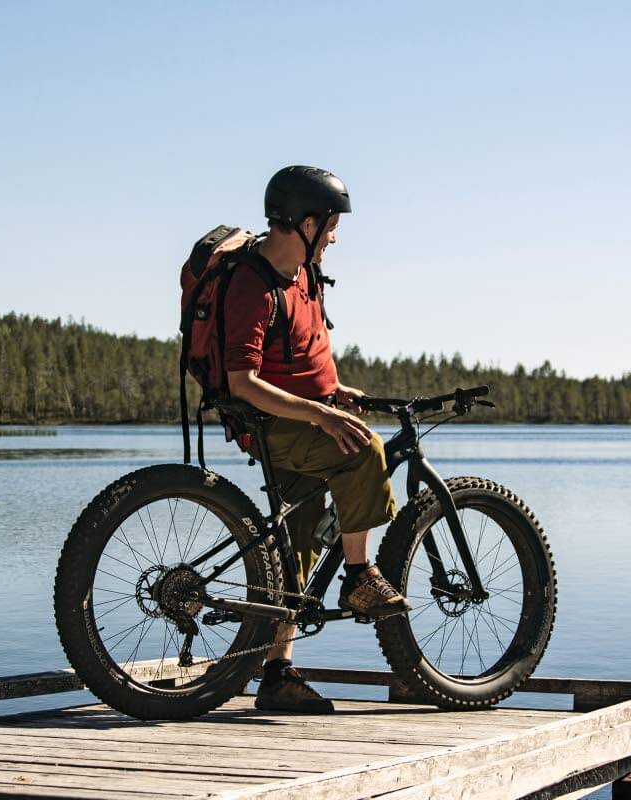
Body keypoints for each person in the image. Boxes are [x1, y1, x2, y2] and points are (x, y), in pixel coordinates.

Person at [222, 165, 410, 714]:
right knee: (365, 450)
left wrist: (334, 392)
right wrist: (321, 417)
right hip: (277, 427)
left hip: (306, 418)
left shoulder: (304, 274)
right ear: (306, 222)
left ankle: (277, 675)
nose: (334, 235)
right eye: (330, 225)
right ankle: (359, 575)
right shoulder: (252, 285)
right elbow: (243, 382)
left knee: (294, 551)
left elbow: (299, 358)